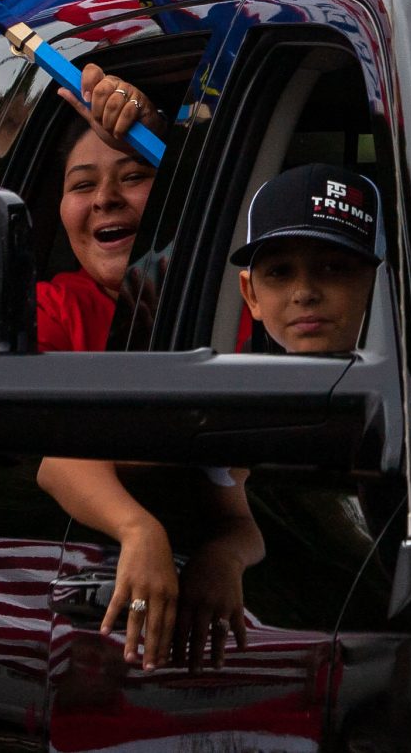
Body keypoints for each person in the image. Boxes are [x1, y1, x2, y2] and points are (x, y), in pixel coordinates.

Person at [34, 66, 262, 671]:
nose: (106, 198)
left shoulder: (252, 306)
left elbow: (237, 498)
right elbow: (46, 440)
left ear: (180, 197)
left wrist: (226, 554)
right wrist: (137, 529)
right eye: (82, 185)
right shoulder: (46, 309)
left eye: (135, 176)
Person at [228, 163, 387, 353]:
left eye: (333, 268)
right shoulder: (241, 379)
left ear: (381, 284)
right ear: (251, 295)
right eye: (279, 272)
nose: (304, 293)